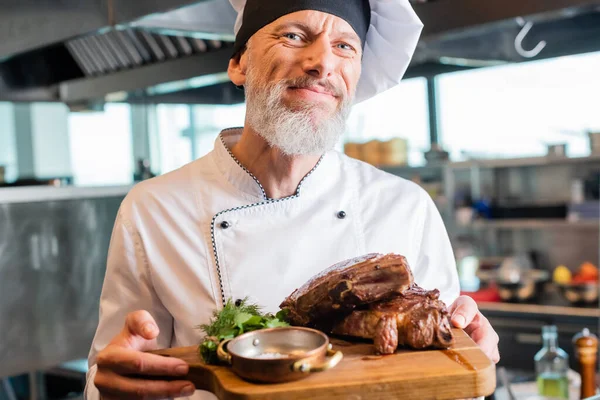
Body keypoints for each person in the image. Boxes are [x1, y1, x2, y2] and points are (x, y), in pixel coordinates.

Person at [85, 0, 500, 398]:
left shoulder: (406, 207)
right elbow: (112, 370)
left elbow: (439, 378)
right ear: (239, 63)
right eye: (294, 35)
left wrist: (467, 364)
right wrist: (115, 391)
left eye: (344, 46)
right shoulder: (154, 210)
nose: (322, 63)